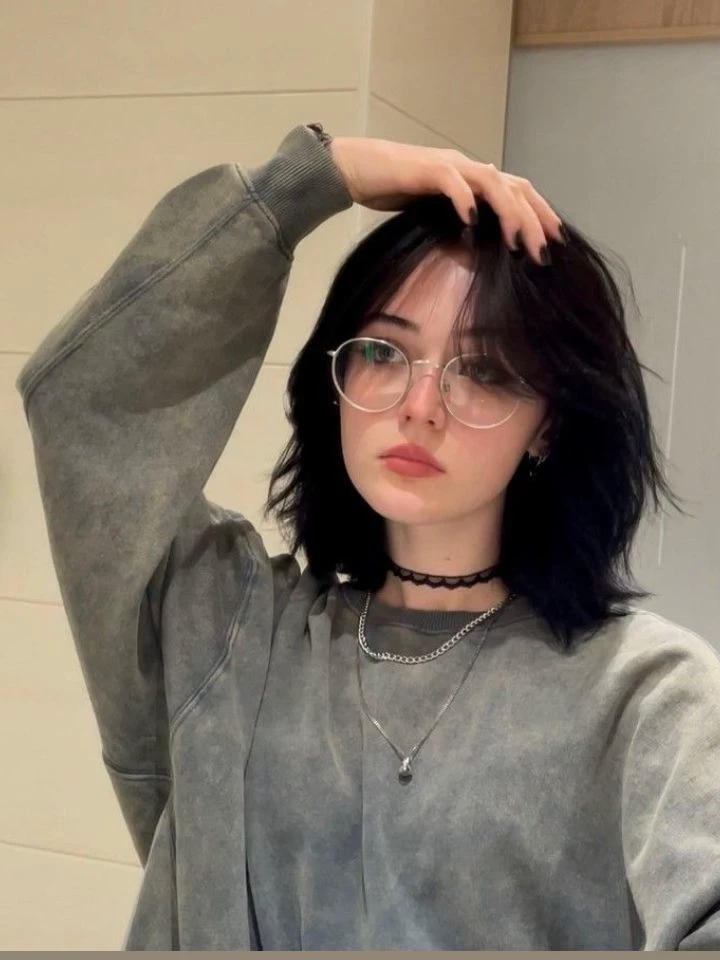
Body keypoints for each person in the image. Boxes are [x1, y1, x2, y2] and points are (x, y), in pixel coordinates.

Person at [17, 123, 720, 951]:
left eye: (482, 370)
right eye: (384, 352)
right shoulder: (233, 639)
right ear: (338, 377)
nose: (420, 406)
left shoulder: (646, 694)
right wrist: (315, 180)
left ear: (548, 424)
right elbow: (86, 409)